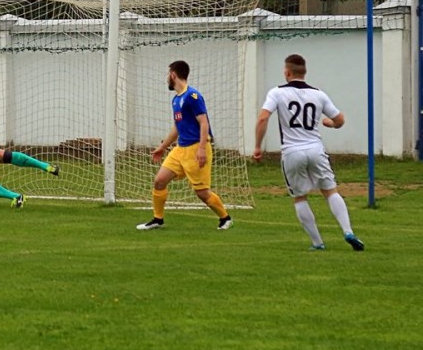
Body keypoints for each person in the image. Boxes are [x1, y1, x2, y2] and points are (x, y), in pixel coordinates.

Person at [253, 54, 365, 251]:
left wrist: (257, 147)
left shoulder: (277, 93)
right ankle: (348, 231)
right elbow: (340, 119)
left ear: (287, 72)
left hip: (292, 152)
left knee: (300, 197)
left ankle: (317, 243)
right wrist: (330, 123)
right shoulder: (318, 94)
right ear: (304, 73)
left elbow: (263, 118)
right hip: (315, 149)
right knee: (330, 191)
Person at [137, 60, 232, 231]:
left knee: (202, 193)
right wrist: (163, 147)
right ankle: (158, 219)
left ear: (173, 75)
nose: (167, 78)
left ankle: (225, 218)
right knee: (159, 181)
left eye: (168, 75)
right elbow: (177, 127)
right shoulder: (176, 100)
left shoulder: (193, 96)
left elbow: (204, 123)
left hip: (196, 148)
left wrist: (202, 149)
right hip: (180, 149)